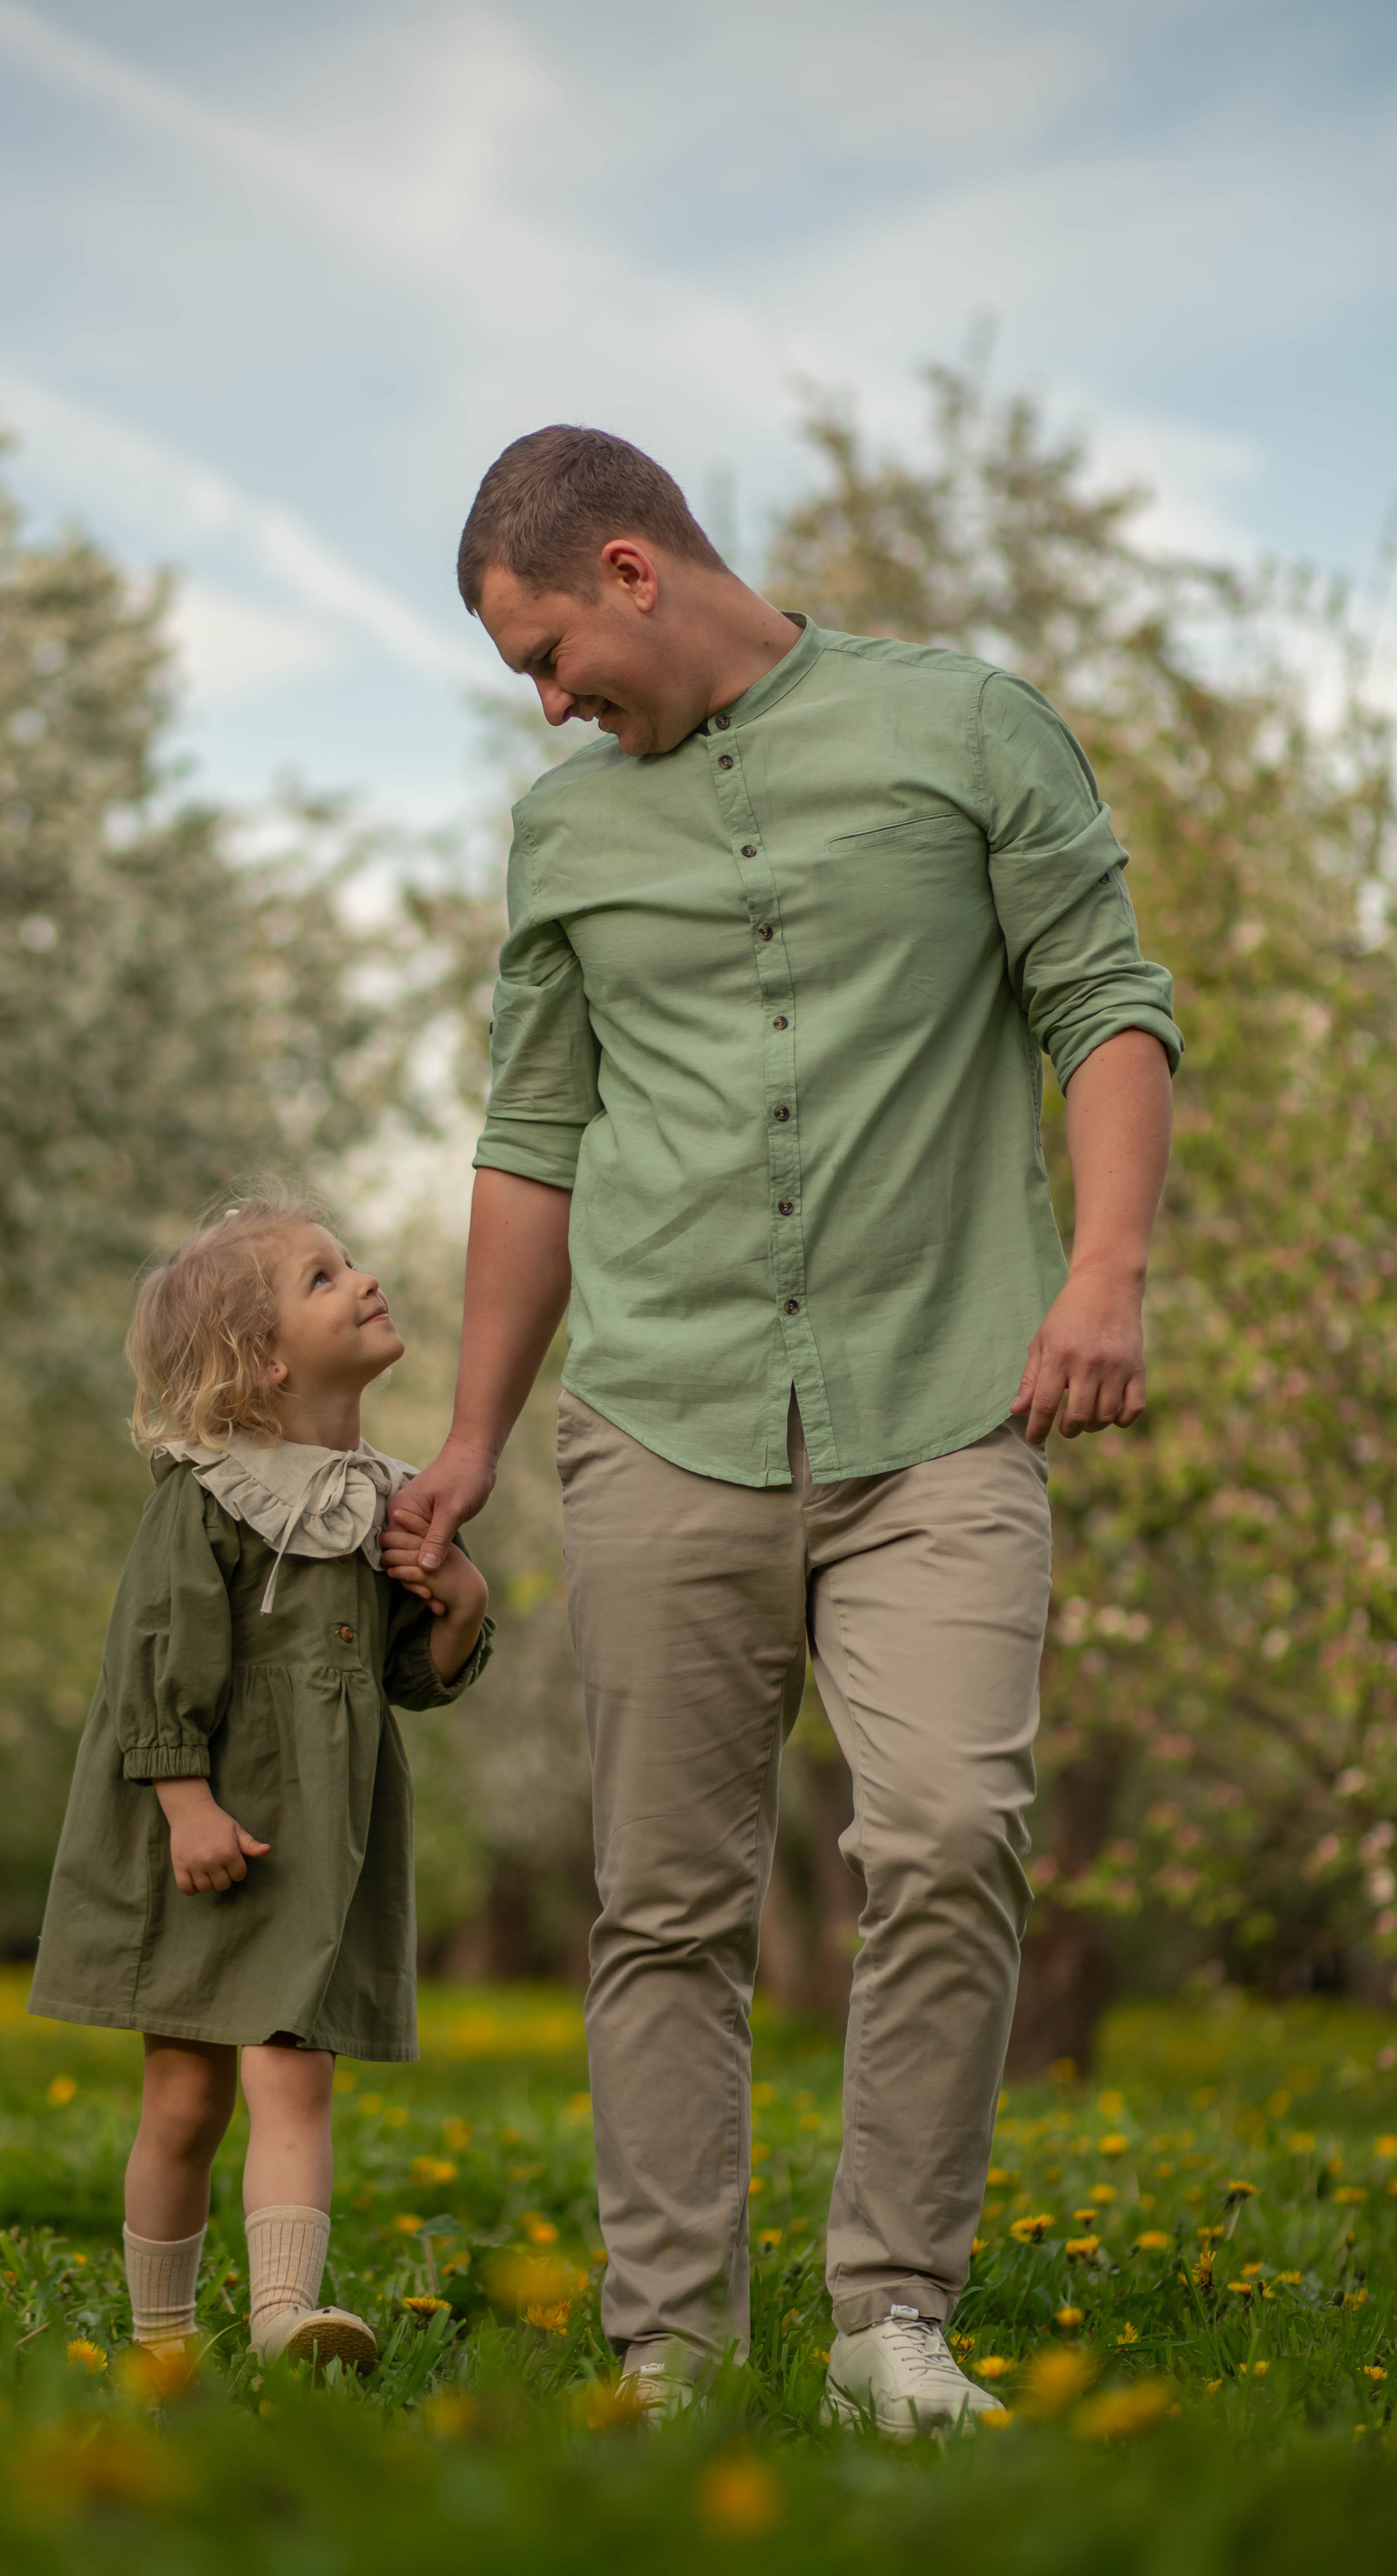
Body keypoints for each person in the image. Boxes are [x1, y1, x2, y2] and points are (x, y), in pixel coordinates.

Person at [388, 427, 1180, 2434]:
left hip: (947, 1401)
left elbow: (1102, 1002)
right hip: (663, 1413)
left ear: (632, 569)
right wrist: (470, 1436)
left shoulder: (966, 728)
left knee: (950, 1833)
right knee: (662, 1905)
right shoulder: (566, 838)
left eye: (547, 658)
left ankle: (889, 2325)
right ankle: (667, 2351)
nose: (548, 707)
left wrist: (1104, 1274)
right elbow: (533, 1136)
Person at [29, 1186, 491, 2373]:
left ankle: (285, 2313)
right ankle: (163, 2345)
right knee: (185, 2098)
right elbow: (154, 1659)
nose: (365, 1279)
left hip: (313, 1845)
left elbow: (408, 1679)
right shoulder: (211, 1494)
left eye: (352, 1262)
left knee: (296, 2076)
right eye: (324, 1277)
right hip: (205, 1833)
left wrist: (461, 1605)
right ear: (266, 1361)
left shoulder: (382, 1502)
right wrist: (186, 1806)